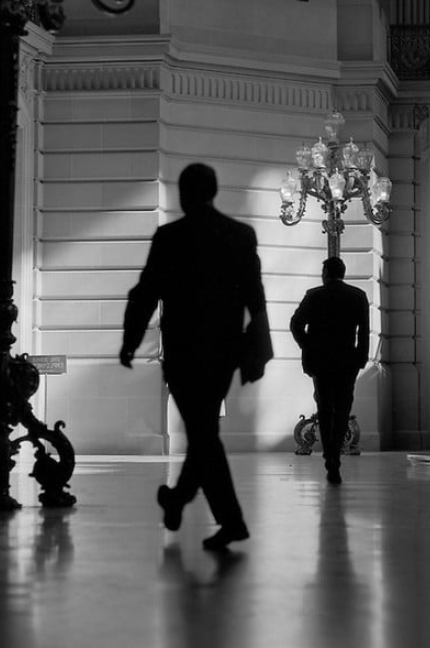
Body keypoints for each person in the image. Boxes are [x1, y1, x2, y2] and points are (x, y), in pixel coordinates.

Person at [119, 163, 272, 550]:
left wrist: (130, 341)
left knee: (203, 433)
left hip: (185, 351)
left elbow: (146, 293)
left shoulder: (171, 237)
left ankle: (224, 518)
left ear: (185, 193)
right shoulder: (240, 235)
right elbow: (256, 296)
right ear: (215, 190)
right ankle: (180, 501)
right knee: (205, 432)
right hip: (223, 351)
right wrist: (259, 347)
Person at [290, 257, 370, 485]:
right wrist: (360, 359)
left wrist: (308, 346)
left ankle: (331, 460)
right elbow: (363, 332)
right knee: (343, 409)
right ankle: (336, 453)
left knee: (325, 409)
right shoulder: (358, 296)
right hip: (347, 361)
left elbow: (296, 323)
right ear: (343, 273)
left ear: (325, 273)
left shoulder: (314, 295)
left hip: (321, 361)